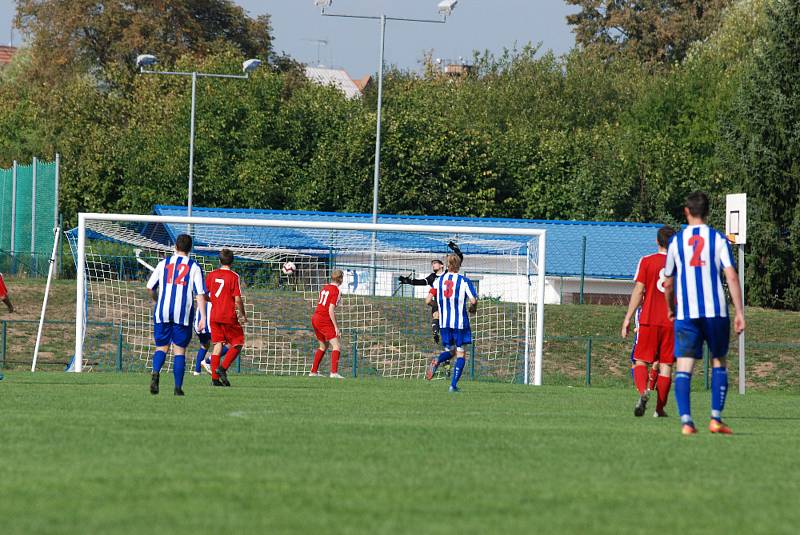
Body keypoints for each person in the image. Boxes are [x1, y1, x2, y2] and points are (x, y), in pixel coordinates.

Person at [663, 191, 745, 435]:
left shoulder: (675, 242)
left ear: (686, 212)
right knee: (719, 361)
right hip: (716, 312)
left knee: (684, 366)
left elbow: (668, 282)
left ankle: (687, 422)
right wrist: (739, 311)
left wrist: (670, 308)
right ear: (707, 212)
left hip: (686, 313)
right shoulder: (718, 239)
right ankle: (715, 419)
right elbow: (731, 275)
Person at [622, 225, 676, 418]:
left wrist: (628, 317)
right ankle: (659, 409)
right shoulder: (680, 264)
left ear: (656, 241)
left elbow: (639, 290)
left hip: (648, 319)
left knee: (640, 362)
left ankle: (643, 392)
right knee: (666, 366)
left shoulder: (646, 261)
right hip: (671, 321)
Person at [146, 234, 207, 396]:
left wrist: (157, 301)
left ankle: (155, 373)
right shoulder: (194, 266)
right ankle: (178, 388)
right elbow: (200, 294)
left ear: (175, 246)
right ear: (190, 249)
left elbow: (150, 287)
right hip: (183, 313)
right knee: (179, 350)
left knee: (161, 347)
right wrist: (203, 317)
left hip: (162, 311)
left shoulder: (163, 263)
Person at [424, 254, 477, 392]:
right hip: (460, 323)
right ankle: (453, 385)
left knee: (451, 351)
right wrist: (473, 309)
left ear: (447, 265)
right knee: (460, 353)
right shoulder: (464, 281)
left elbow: (428, 300)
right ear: (459, 265)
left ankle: (437, 360)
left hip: (444, 323)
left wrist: (439, 306)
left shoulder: (439, 281)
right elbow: (473, 301)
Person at [398, 241, 463, 345]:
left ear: (442, 265)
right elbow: (421, 282)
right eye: (432, 264)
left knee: (449, 324)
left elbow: (458, 262)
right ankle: (435, 332)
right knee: (434, 311)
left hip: (449, 300)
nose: (433, 265)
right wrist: (408, 281)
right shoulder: (432, 277)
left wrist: (456, 250)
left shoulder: (448, 273)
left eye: (435, 263)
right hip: (438, 300)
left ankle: (450, 342)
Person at [206, 249, 247, 387]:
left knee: (218, 345)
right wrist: (242, 314)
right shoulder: (233, 276)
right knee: (238, 342)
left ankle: (215, 379)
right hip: (228, 316)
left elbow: (204, 293)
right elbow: (237, 299)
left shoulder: (212, 275)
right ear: (232, 261)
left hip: (214, 315)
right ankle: (222, 369)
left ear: (219, 260)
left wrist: (213, 301)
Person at [309, 269, 345, 378]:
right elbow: (330, 310)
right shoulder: (336, 291)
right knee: (337, 346)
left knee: (323, 346)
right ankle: (334, 373)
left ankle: (313, 372)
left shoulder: (325, 287)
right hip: (324, 319)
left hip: (315, 317)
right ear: (340, 279)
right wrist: (336, 327)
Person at [192, 299, 228, 376]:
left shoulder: (200, 287)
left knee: (204, 345)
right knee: (229, 344)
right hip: (211, 322)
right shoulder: (217, 287)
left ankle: (197, 371)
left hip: (198, 322)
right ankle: (208, 362)